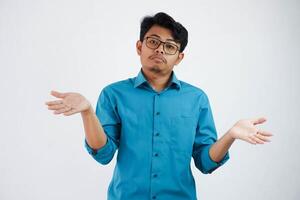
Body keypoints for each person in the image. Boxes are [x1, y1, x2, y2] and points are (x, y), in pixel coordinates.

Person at [45, 12, 273, 200]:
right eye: (153, 42)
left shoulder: (197, 99)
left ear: (180, 57)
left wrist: (231, 135)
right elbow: (103, 154)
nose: (160, 50)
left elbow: (205, 161)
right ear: (139, 46)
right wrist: (87, 112)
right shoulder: (114, 94)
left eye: (170, 46)